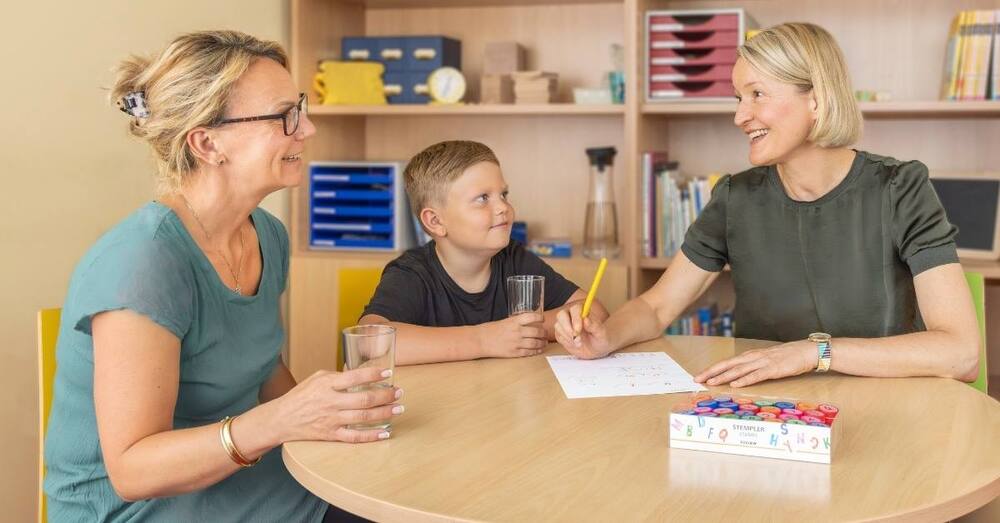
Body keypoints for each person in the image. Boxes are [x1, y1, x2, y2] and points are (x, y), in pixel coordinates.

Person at [44, 31, 400, 522]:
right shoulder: (142, 263)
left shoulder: (266, 235)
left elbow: (261, 367)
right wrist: (282, 420)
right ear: (207, 143)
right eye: (285, 116)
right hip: (146, 510)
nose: (307, 128)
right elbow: (132, 472)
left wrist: (333, 417)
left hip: (250, 481)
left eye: (299, 109)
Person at [554, 23, 980, 387]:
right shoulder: (735, 197)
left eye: (757, 94)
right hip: (770, 412)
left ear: (816, 99)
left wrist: (814, 353)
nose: (740, 116)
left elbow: (961, 353)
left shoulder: (899, 188)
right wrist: (605, 337)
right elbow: (656, 306)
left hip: (888, 409)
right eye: (738, 98)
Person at [360, 140, 608, 365]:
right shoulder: (412, 273)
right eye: (482, 198)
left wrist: (523, 332)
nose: (503, 207)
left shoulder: (513, 258)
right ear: (435, 221)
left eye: (503, 194)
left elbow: (596, 311)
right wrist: (484, 340)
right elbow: (368, 341)